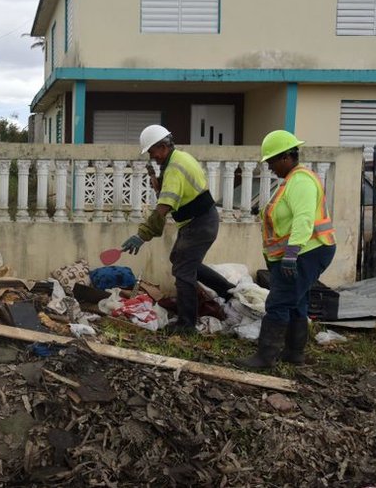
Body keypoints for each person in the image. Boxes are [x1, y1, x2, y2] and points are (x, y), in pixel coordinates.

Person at [237, 130, 336, 368]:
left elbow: (303, 219)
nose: (270, 168)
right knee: (297, 301)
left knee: (279, 303)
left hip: (306, 252)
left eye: (271, 162)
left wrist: (291, 254)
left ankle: (265, 357)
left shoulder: (301, 181)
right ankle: (293, 353)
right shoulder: (292, 180)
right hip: (304, 251)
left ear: (285, 157)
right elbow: (285, 215)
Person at [121, 125, 219, 334]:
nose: (152, 156)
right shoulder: (180, 158)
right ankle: (227, 290)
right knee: (182, 261)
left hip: (199, 224)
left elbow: (164, 206)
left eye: (152, 151)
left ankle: (186, 324)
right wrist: (159, 185)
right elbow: (176, 191)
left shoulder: (174, 167)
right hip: (201, 222)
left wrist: (142, 235)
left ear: (163, 147)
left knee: (183, 270)